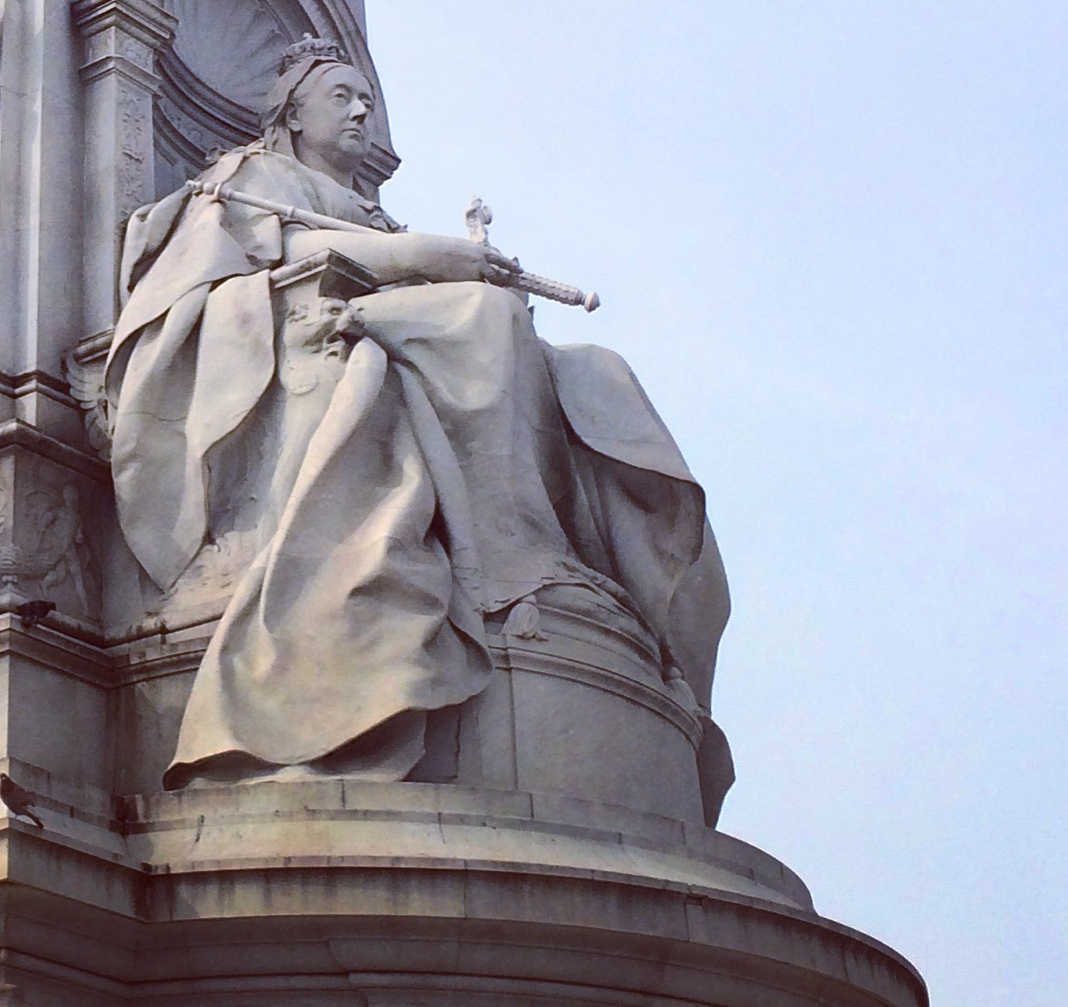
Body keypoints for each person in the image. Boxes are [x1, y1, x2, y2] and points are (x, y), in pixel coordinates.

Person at [106, 40, 732, 805]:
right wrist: (424, 255)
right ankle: (513, 563)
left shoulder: (372, 208)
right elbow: (290, 250)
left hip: (380, 307)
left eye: (366, 97)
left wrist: (428, 256)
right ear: (293, 114)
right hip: (309, 316)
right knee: (479, 317)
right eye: (341, 95)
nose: (362, 109)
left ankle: (591, 573)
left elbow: (389, 255)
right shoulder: (258, 176)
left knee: (598, 370)